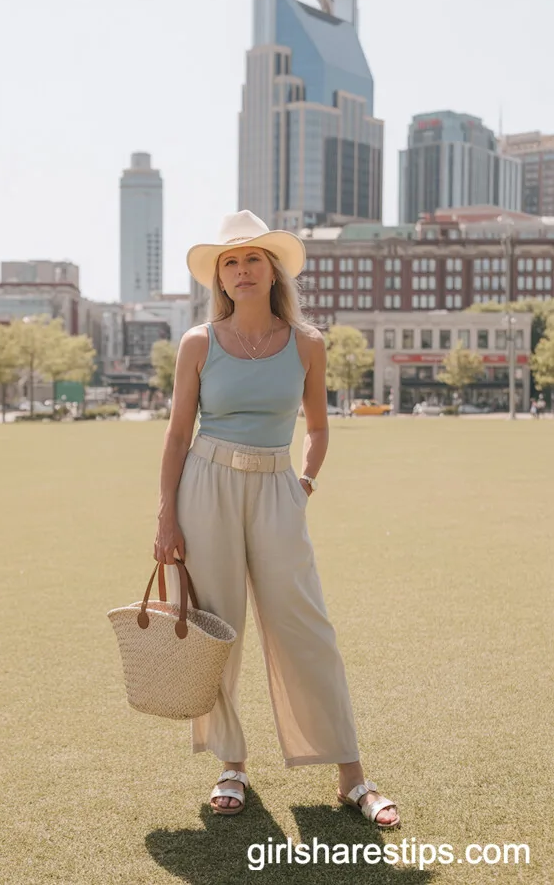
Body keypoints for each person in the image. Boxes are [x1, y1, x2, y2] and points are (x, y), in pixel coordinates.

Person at [153, 210, 400, 829]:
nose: (240, 270)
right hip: (204, 486)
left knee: (306, 627)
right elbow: (179, 432)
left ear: (273, 270)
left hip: (277, 489)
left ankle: (351, 774)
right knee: (219, 627)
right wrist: (165, 516)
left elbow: (316, 429)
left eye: (251, 259)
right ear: (220, 276)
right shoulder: (198, 342)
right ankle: (231, 764)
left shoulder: (308, 343)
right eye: (229, 262)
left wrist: (305, 483)